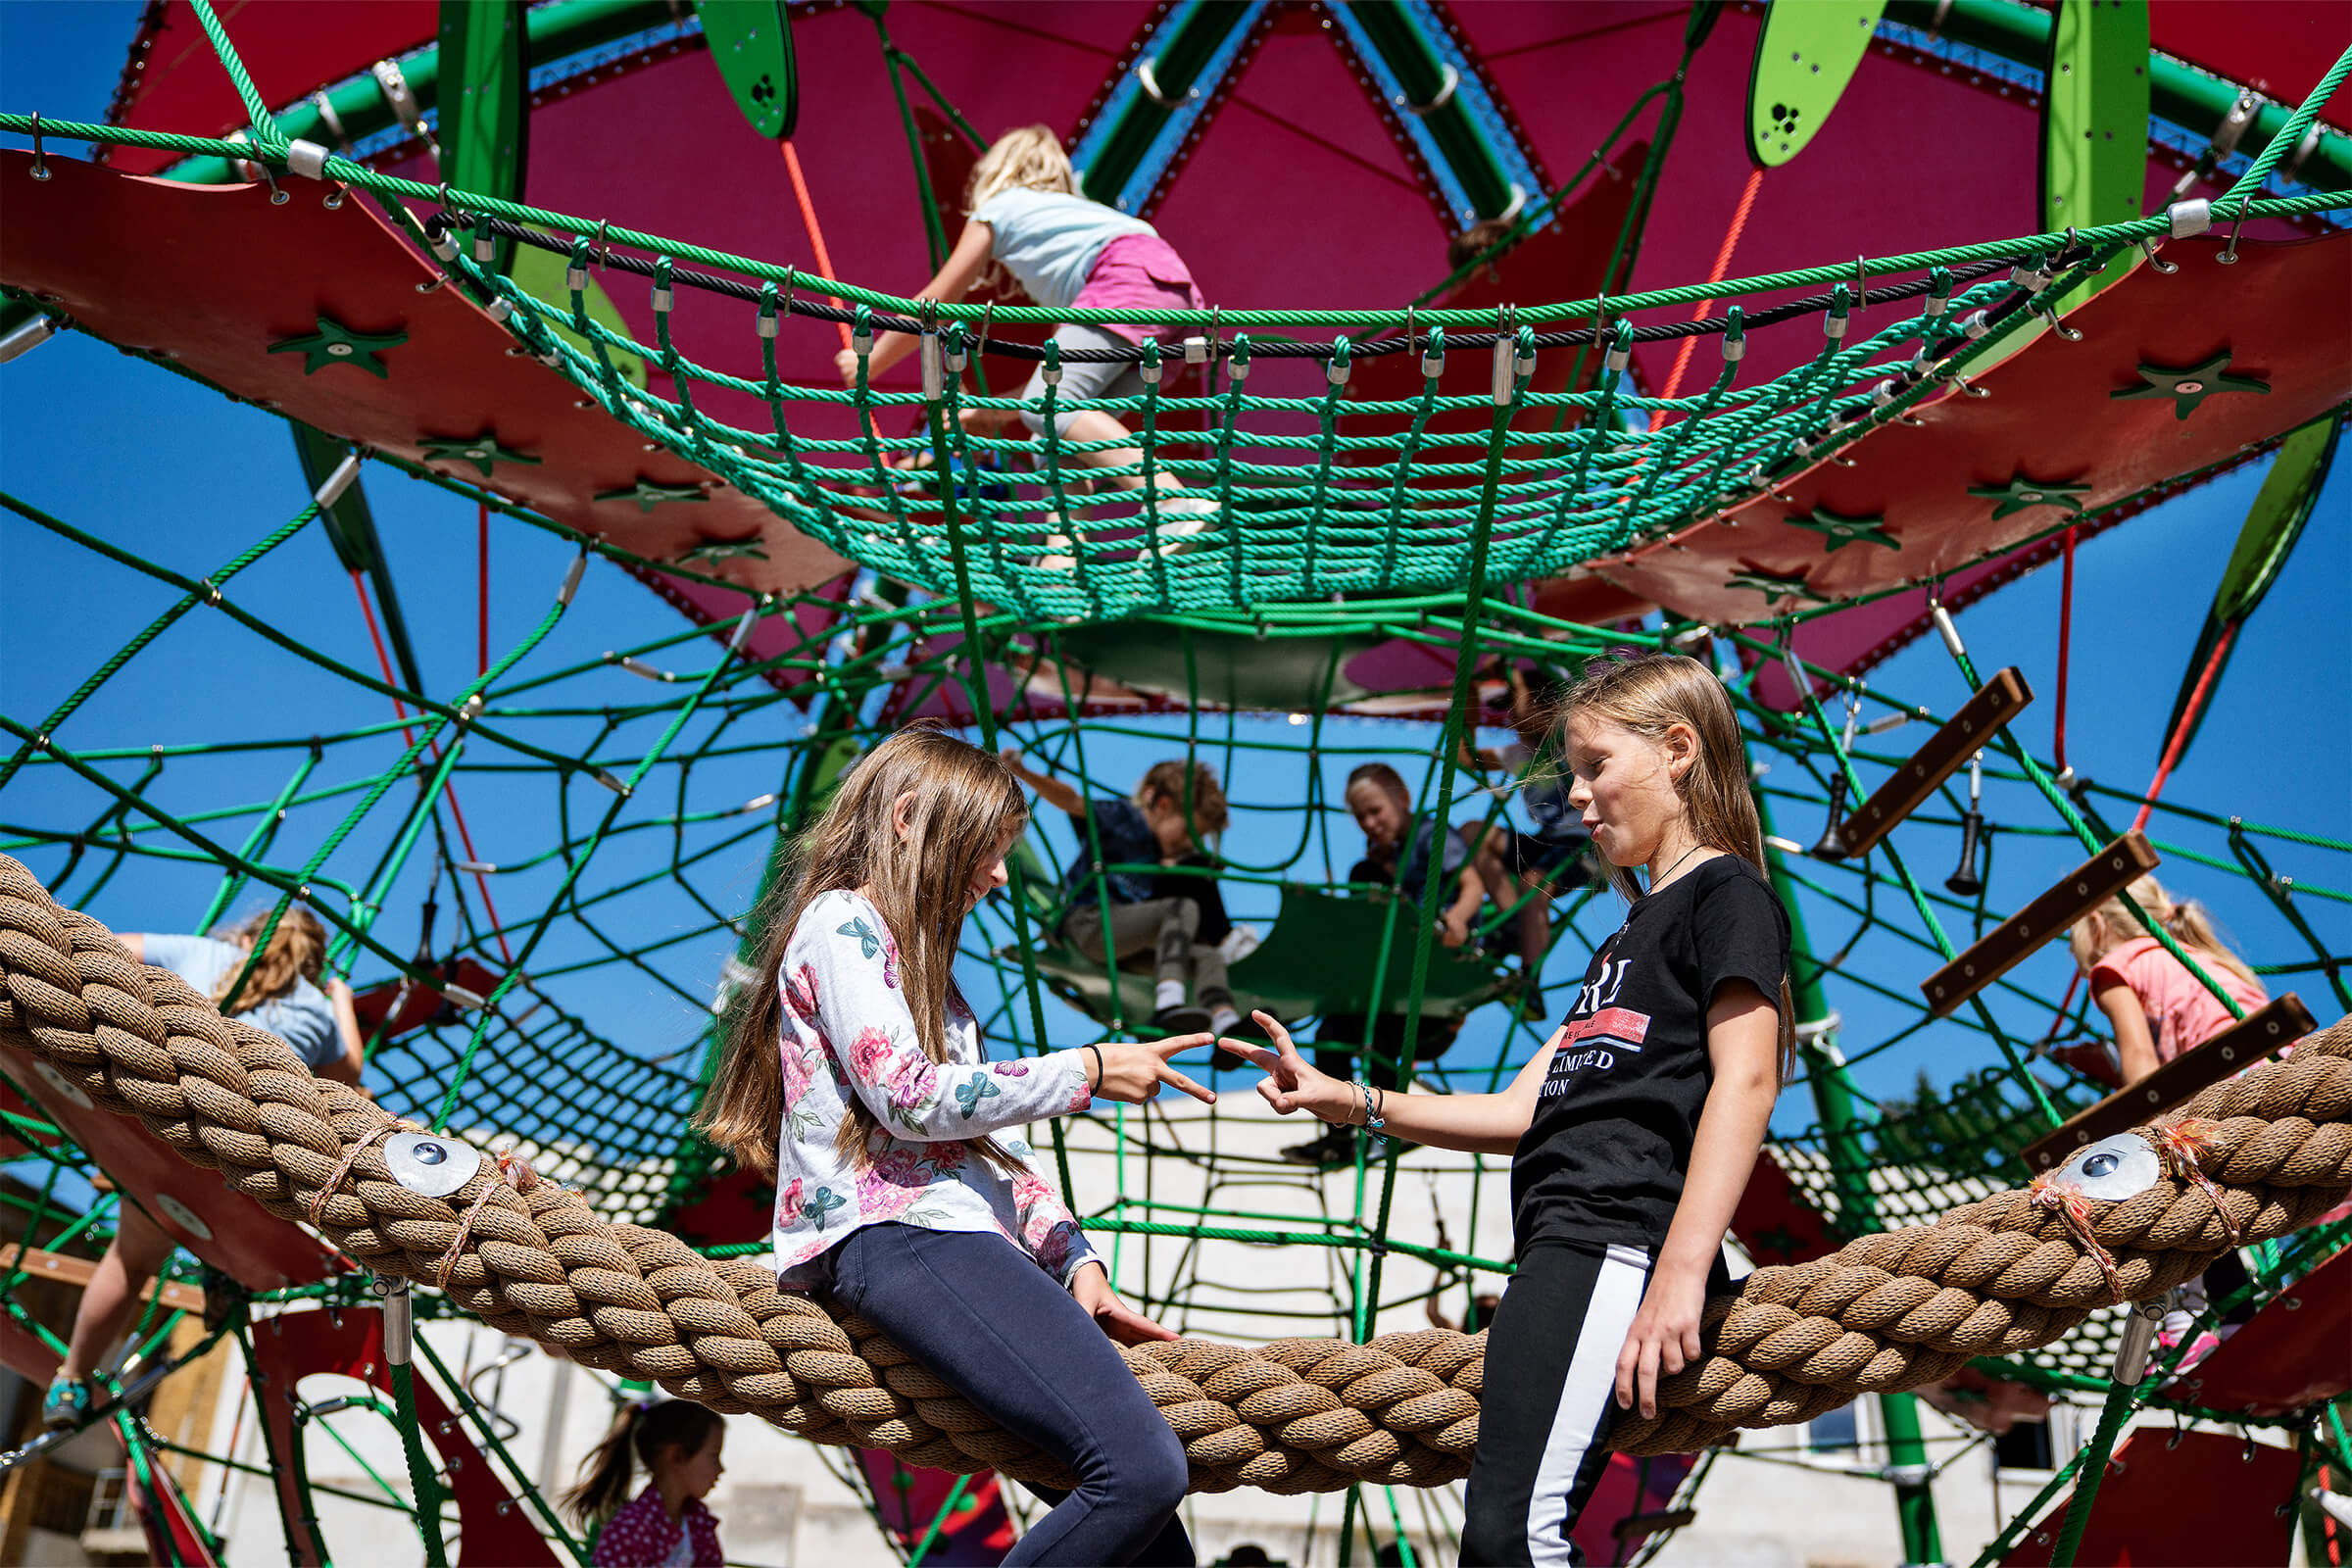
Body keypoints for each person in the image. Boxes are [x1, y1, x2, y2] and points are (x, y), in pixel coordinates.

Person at [1229, 654, 1791, 1565]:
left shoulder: (1724, 894)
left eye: (1594, 765)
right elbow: (1524, 1108)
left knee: (1512, 1540)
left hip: (1618, 1239)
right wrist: (1356, 1101)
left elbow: (1748, 1080)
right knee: (1508, 1537)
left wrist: (1683, 1270)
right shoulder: (1628, 933)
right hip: (1562, 1244)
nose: (1574, 796)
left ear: (1678, 751)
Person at [696, 727, 1213, 1567]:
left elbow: (999, 1148)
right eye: (989, 849)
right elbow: (908, 1097)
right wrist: (1087, 1068)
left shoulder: (940, 985)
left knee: (1157, 1549)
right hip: (897, 1237)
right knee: (1141, 1472)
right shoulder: (843, 923)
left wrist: (1078, 1264)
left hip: (958, 1242)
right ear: (909, 820)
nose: (1002, 875)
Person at [44, 907, 365, 1430]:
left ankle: (72, 1380)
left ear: (244, 936)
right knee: (266, 1188)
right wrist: (341, 999)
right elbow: (348, 1076)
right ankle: (224, 1273)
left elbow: (106, 946)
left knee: (130, 1262)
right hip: (243, 1162)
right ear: (313, 965)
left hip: (163, 1130)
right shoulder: (315, 1007)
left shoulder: (204, 952)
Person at [836, 124, 1216, 549]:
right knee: (1050, 433)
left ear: (995, 174)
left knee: (1049, 408)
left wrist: (871, 359)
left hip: (1125, 282)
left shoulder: (1000, 207)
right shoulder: (1072, 226)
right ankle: (1063, 565)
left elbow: (939, 300)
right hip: (1177, 306)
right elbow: (1052, 377)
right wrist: (993, 414)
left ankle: (1173, 502)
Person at [2069, 874, 2270, 1364]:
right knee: (2205, 1188)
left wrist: (2139, 1132)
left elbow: (2143, 1066)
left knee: (2155, 1180)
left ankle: (2185, 1316)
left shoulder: (2115, 966)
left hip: (2228, 1091)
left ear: (2096, 925)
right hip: (2279, 1072)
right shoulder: (2198, 953)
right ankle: (2243, 1312)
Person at [1280, 763, 1481, 1168]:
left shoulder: (1429, 835)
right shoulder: (1380, 863)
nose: (1369, 823)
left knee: (1383, 1038)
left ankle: (1388, 1131)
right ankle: (1336, 1136)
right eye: (1360, 817)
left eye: (1376, 811)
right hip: (1390, 980)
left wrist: (1458, 917)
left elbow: (1471, 883)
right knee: (1331, 1033)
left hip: (1429, 984)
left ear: (1402, 798)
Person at [1003, 748, 1241, 1039]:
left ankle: (1224, 1021)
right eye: (1188, 832)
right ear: (1162, 805)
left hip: (1126, 945)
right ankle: (1168, 1003)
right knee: (1181, 908)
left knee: (1206, 955)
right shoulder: (1124, 817)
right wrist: (1024, 773)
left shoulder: (1163, 853)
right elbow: (1071, 801)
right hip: (1090, 923)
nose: (1190, 843)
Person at [1461, 666, 1594, 1016]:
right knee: (1474, 833)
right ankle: (1511, 920)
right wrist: (1470, 695)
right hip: (1546, 841)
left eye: (1522, 705)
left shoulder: (1569, 742)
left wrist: (1519, 678)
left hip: (1585, 843)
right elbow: (1464, 756)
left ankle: (1529, 979)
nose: (1512, 718)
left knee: (1535, 882)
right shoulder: (1519, 753)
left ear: (1553, 708)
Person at [564, 1396, 727, 1567]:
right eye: (714, 1456)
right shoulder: (630, 1528)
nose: (721, 1469)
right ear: (675, 1455)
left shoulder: (699, 1524)